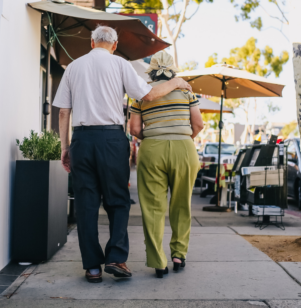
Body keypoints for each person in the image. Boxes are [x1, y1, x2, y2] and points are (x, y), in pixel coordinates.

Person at [52, 26, 192, 284]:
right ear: (114, 45)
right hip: (111, 140)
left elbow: (63, 112)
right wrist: (174, 82)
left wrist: (66, 147)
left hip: (82, 139)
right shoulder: (121, 64)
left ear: (92, 43)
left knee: (86, 205)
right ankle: (116, 258)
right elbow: (148, 95)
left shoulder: (73, 67)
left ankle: (93, 268)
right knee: (117, 200)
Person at [129, 51, 204, 278]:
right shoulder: (185, 92)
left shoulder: (142, 95)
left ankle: (158, 261)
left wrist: (154, 137)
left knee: (152, 207)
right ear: (173, 69)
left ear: (150, 69)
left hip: (152, 149)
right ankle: (179, 254)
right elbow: (198, 124)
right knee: (182, 203)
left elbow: (133, 129)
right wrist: (181, 137)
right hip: (184, 148)